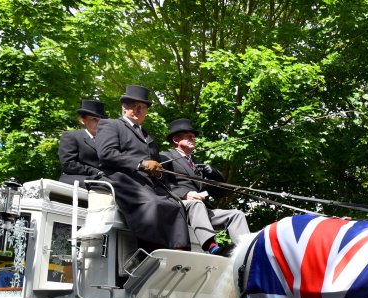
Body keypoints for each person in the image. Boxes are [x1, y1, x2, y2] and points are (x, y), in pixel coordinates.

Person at [95, 85, 190, 251]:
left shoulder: (148, 136)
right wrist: (140, 164)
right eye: (134, 106)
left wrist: (158, 172)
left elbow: (154, 164)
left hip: (148, 183)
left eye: (142, 107)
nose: (138, 110)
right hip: (123, 180)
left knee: (176, 205)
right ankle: (150, 252)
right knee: (153, 204)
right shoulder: (110, 125)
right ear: (124, 107)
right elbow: (106, 154)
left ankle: (179, 250)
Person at [161, 118, 249, 255]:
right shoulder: (165, 157)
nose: (193, 138)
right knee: (196, 204)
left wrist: (213, 172)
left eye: (193, 136)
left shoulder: (197, 163)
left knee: (236, 214)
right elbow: (160, 183)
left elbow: (220, 192)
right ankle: (211, 246)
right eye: (188, 136)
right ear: (176, 140)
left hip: (202, 210)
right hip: (180, 207)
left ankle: (245, 251)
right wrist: (184, 194)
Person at [58, 99, 107, 185]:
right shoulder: (71, 136)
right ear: (82, 120)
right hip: (78, 180)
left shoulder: (106, 140)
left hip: (103, 179)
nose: (99, 123)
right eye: (94, 119)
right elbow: (68, 164)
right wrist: (96, 172)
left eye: (101, 120)